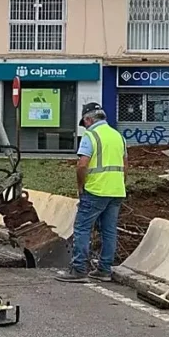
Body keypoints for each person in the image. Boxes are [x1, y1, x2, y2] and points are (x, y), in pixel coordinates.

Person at [56, 102, 127, 283]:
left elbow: (82, 164)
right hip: (116, 190)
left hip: (96, 189)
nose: (85, 125)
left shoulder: (91, 135)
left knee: (82, 228)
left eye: (85, 122)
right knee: (109, 231)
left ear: (88, 119)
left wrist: (81, 186)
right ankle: (104, 270)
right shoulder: (118, 136)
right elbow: (125, 165)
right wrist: (120, 184)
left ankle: (78, 269)